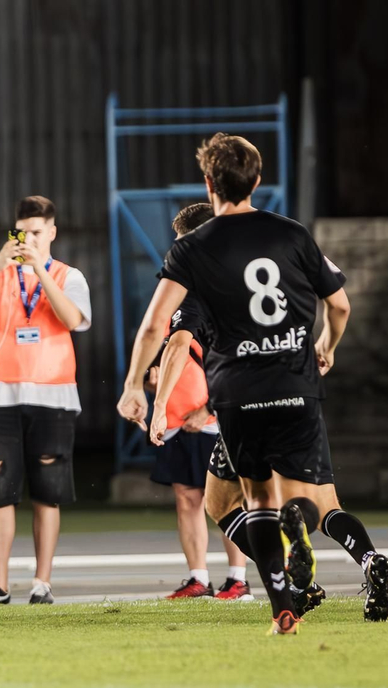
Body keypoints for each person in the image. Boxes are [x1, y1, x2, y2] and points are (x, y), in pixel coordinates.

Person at [118, 133, 355, 635]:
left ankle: (283, 611)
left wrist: (135, 385)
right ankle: (302, 532)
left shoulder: (192, 247)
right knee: (304, 493)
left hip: (240, 392)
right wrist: (327, 346)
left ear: (208, 184)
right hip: (297, 382)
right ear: (258, 180)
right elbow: (339, 305)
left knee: (257, 502)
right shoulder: (291, 234)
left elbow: (156, 326)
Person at [149, 212, 388, 623]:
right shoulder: (285, 240)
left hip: (243, 401)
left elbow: (176, 342)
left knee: (227, 502)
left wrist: (158, 406)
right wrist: (327, 347)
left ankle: (291, 588)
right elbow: (340, 304)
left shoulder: (199, 274)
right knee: (325, 503)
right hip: (300, 392)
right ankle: (368, 558)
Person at [0, 196, 93, 605]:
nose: (28, 239)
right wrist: (0, 265)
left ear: (52, 232)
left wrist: (39, 270)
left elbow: (73, 321)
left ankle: (41, 582)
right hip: (0, 393)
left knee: (48, 490)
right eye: (22, 232)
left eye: (36, 232)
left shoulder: (70, 276)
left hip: (53, 394)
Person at [147, 203, 252, 600]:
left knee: (228, 496)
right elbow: (170, 347)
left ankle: (239, 578)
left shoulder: (226, 292)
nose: (178, 253)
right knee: (187, 496)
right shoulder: (180, 290)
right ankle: (198, 577)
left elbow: (236, 357)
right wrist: (151, 381)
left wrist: (209, 409)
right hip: (177, 415)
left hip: (215, 417)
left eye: (183, 244)